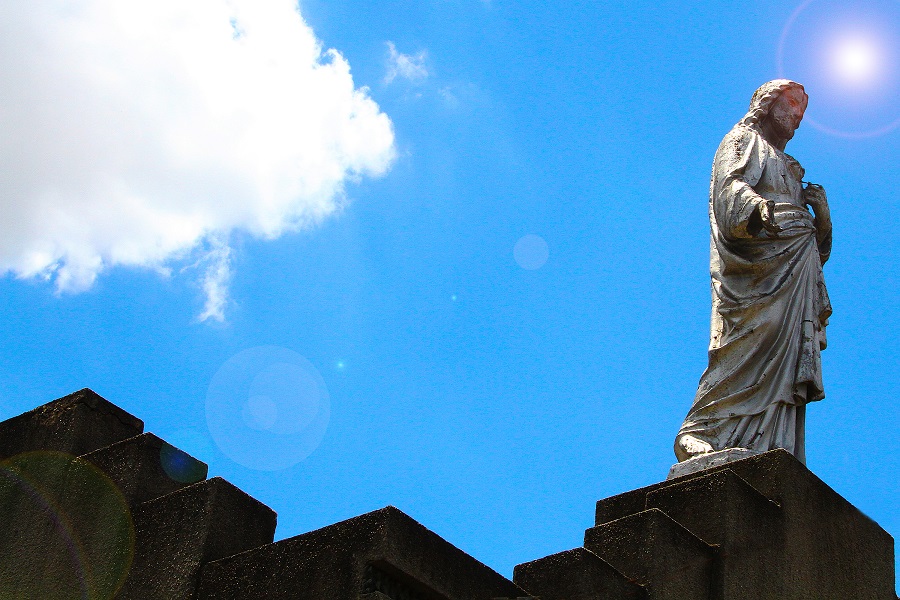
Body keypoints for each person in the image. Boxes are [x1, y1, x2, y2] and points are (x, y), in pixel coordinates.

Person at [674, 79, 832, 464]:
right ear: (767, 102)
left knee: (788, 349)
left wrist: (822, 218)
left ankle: (771, 447)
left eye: (802, 111)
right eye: (791, 104)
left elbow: (818, 249)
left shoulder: (792, 168)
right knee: (750, 339)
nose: (797, 116)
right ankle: (701, 429)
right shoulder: (743, 140)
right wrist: (758, 207)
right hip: (757, 266)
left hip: (795, 264)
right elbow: (730, 188)